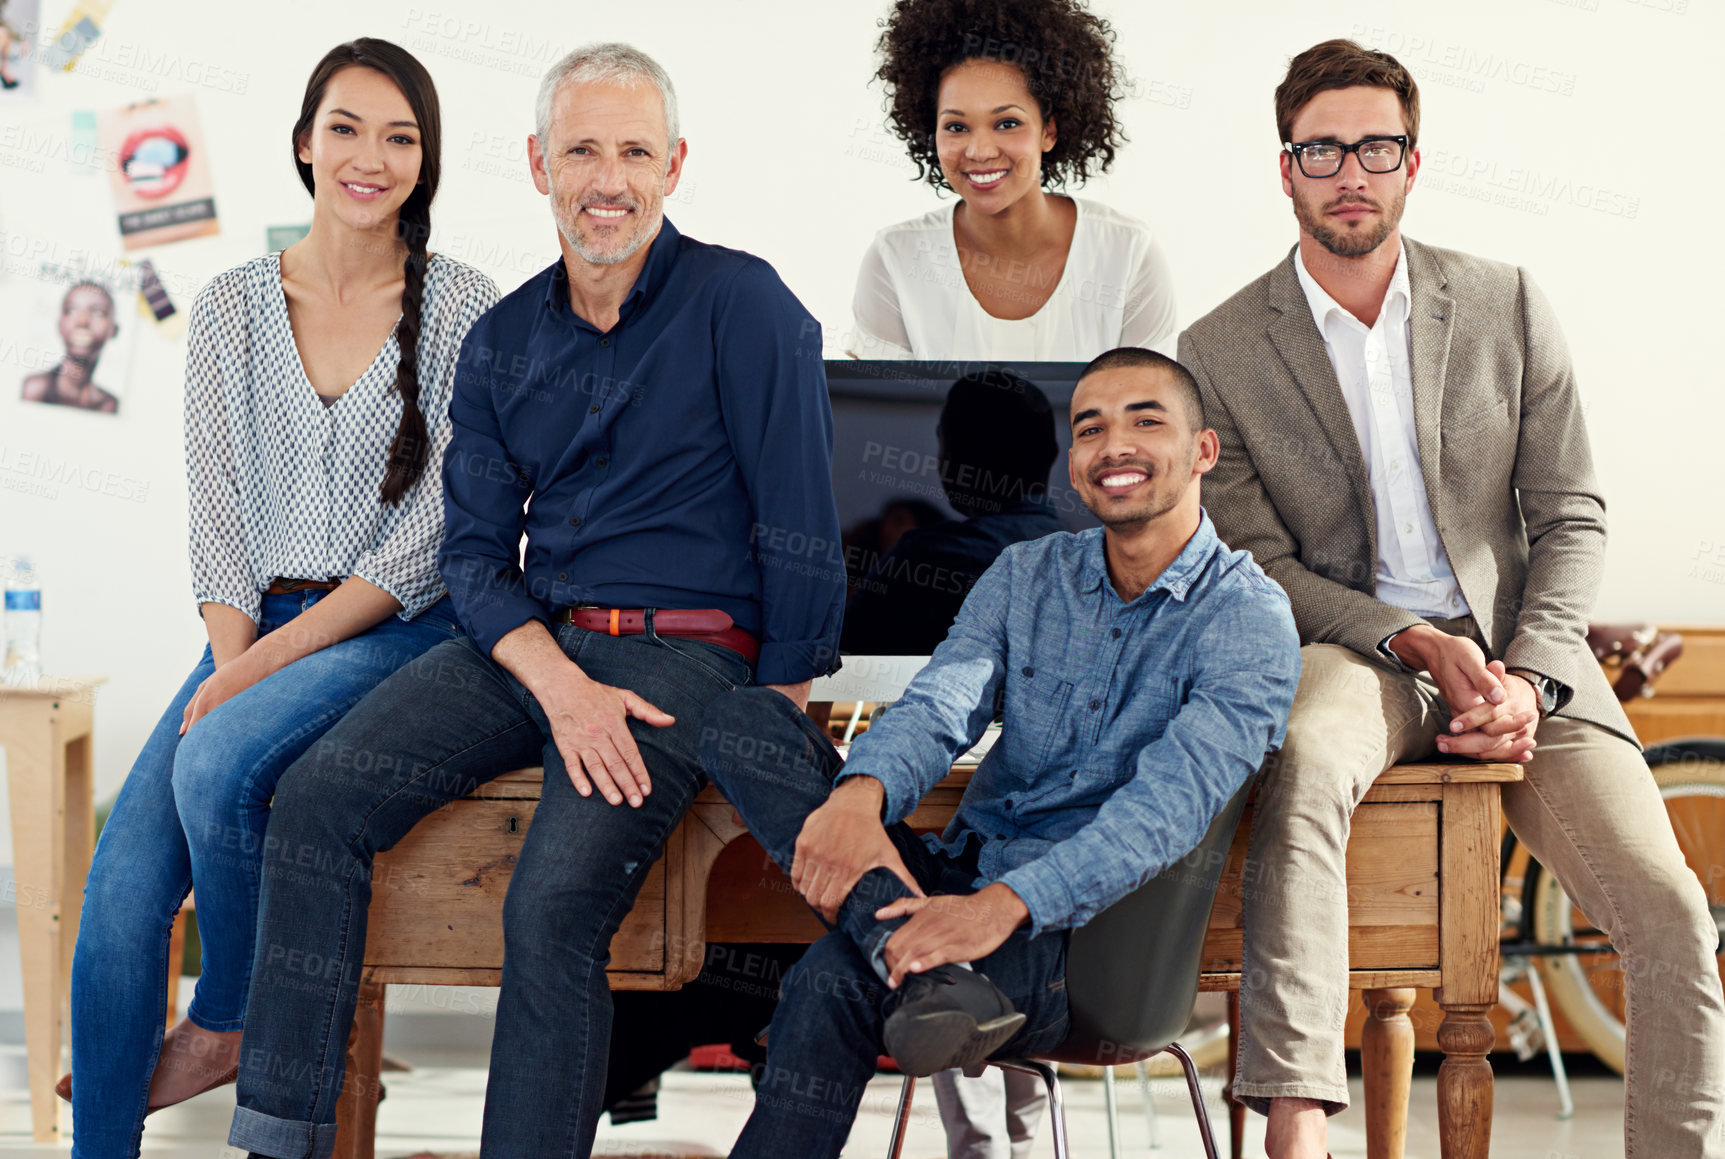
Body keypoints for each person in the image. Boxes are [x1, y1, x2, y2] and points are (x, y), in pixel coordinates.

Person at [225, 42, 845, 1159]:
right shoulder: (503, 337)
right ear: (536, 164)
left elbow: (801, 527)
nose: (607, 179)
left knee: (550, 906)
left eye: (634, 152)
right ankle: (277, 1137)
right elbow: (471, 552)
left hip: (686, 656)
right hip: (533, 643)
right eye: (581, 151)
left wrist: (773, 725)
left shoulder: (743, 305)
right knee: (315, 800)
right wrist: (557, 683)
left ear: (674, 165)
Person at [1178, 38, 1725, 1159]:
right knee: (1307, 766)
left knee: (1671, 912)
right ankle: (1294, 1118)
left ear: (1413, 163)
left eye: (1375, 147)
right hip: (1355, 649)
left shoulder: (1507, 303)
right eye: (1321, 149)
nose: (1350, 173)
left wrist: (1528, 674)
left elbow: (1571, 515)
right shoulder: (1218, 350)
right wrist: (1410, 637)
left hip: (1524, 659)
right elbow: (1261, 566)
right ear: (1284, 168)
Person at [60, 38, 498, 1159]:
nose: (371, 157)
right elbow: (219, 522)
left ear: (425, 161)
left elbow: (430, 541)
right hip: (253, 622)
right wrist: (231, 656)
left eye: (401, 137)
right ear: (304, 144)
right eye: (346, 129)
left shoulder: (462, 309)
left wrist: (250, 676)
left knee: (212, 760)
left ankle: (230, 1016)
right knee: (119, 895)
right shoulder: (229, 308)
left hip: (400, 630)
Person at [698, 347, 1302, 1159]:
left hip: (1088, 941)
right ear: (1072, 463)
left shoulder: (1248, 618)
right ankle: (922, 971)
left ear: (1202, 451)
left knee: (827, 980)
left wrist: (995, 910)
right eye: (1090, 428)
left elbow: (1160, 817)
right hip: (955, 879)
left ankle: (902, 959)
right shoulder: (1026, 573)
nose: (1113, 444)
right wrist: (858, 797)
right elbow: (942, 702)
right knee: (743, 717)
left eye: (1144, 420)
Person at [847, 0, 1176, 362]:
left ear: (1048, 131)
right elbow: (877, 413)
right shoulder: (895, 258)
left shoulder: (1127, 255)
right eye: (956, 127)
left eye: (1007, 123)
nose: (980, 150)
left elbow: (1151, 409)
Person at [842, 367, 1063, 655]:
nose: (940, 459)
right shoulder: (1089, 559)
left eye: (945, 442)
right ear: (1053, 455)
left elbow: (842, 651)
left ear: (959, 457)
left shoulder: (927, 556)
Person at [21, 282, 123, 413]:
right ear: (59, 324)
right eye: (71, 310)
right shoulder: (32, 389)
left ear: (114, 330)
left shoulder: (109, 405)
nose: (82, 321)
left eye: (98, 313)